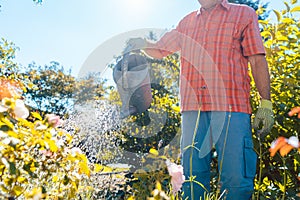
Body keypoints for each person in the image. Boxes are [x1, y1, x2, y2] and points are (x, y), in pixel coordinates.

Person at [126, 0, 274, 199]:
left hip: (232, 107)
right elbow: (160, 50)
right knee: (192, 181)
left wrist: (265, 102)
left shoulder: (243, 14)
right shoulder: (186, 23)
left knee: (236, 179)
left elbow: (256, 58)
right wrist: (142, 43)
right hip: (193, 111)